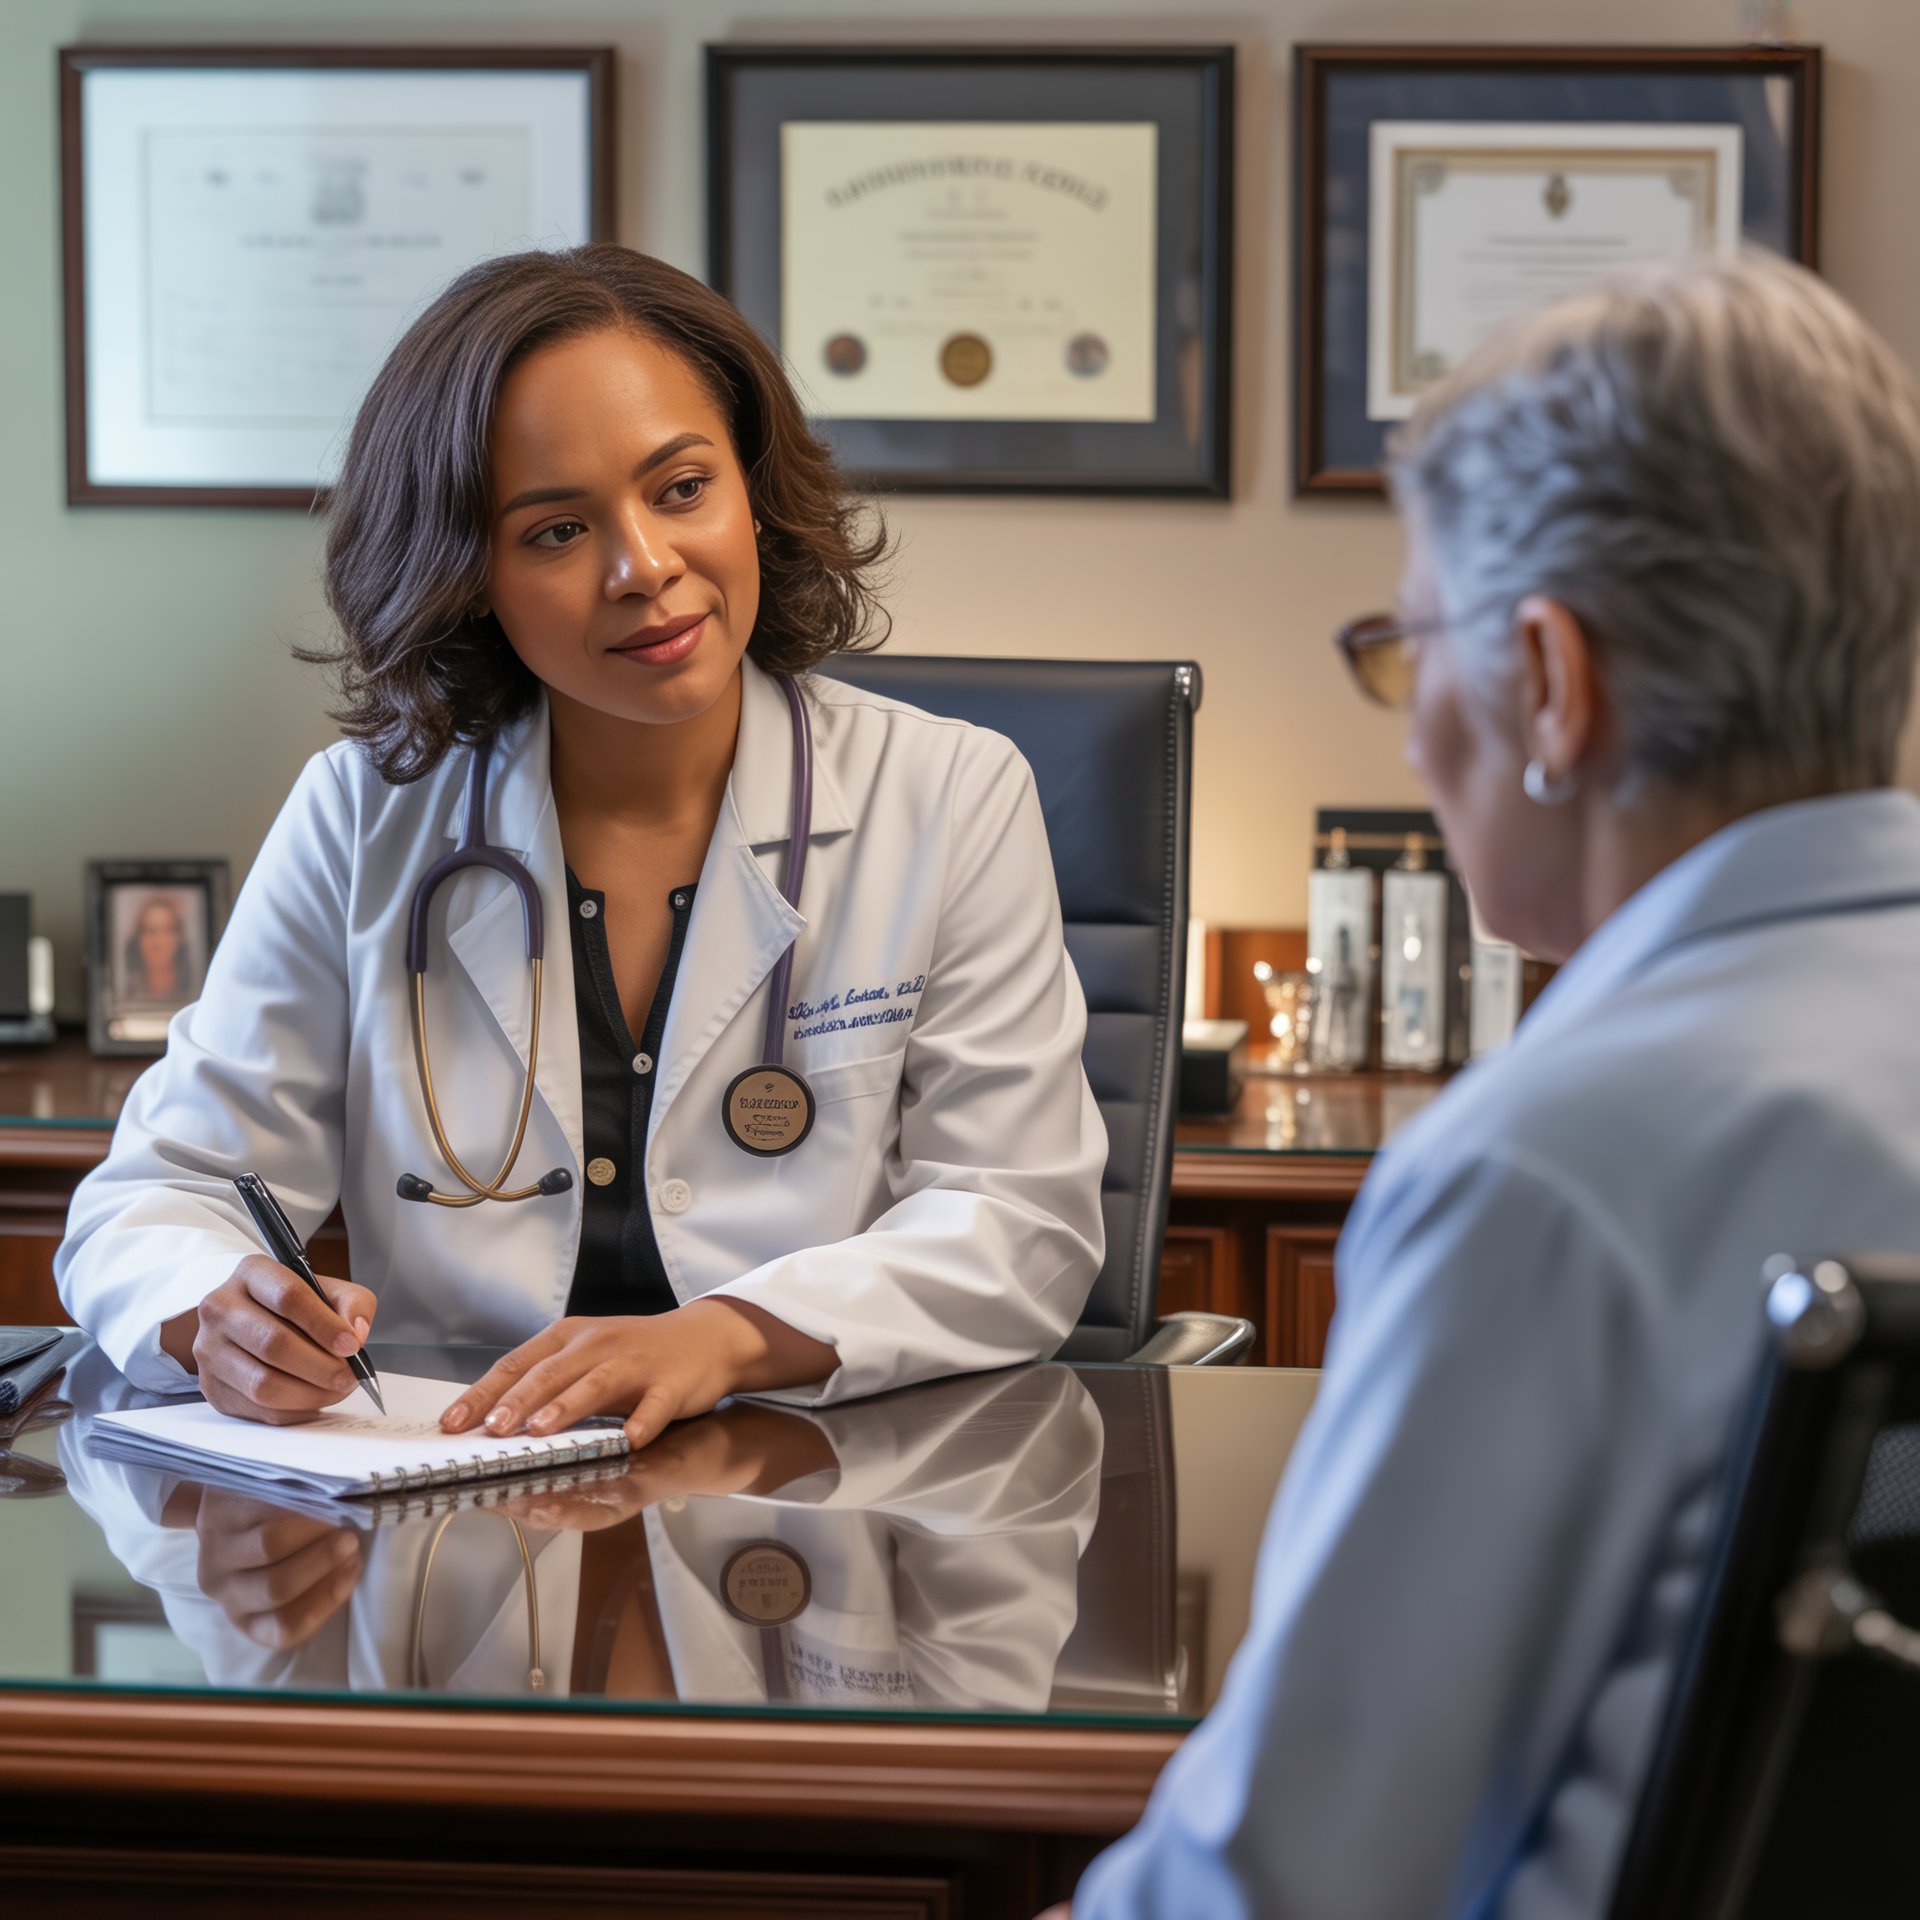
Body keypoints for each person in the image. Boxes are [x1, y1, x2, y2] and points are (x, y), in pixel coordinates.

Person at [1064, 251, 1920, 1917]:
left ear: (1549, 681)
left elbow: (1285, 1893)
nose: (1407, 733)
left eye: (1410, 646)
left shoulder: (1552, 1171)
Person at [56, 243, 1106, 1446]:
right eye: (555, 531)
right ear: (470, 576)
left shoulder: (950, 794)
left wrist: (723, 1335)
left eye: (679, 489)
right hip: (457, 1491)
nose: (643, 568)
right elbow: (162, 1193)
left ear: (752, 491)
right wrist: (214, 1316)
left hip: (812, 1485)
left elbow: (1021, 1223)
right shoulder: (363, 815)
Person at [120, 893, 196, 1003]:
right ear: (137, 940)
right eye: (150, 931)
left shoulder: (195, 996)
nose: (158, 942)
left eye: (167, 931)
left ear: (180, 939)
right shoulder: (125, 999)